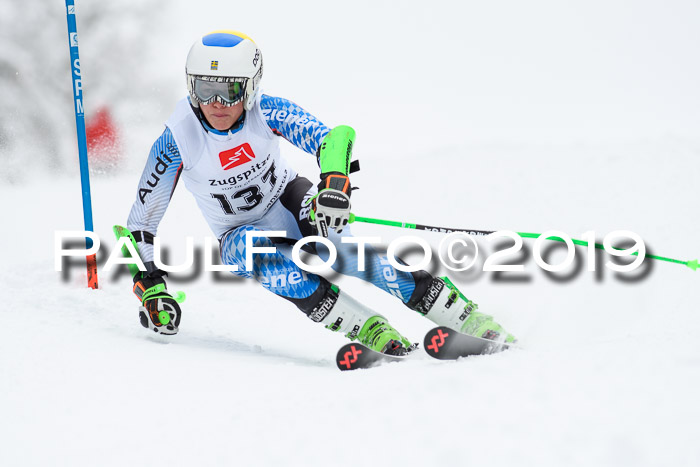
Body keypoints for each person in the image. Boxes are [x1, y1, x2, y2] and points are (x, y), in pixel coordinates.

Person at [126, 30, 515, 354]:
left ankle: (462, 316)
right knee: (262, 259)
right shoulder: (176, 140)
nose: (216, 103)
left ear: (251, 86)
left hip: (290, 199)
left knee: (346, 255)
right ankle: (368, 329)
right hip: (237, 233)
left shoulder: (267, 111)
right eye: (205, 89)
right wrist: (150, 285)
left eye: (230, 90)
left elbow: (334, 138)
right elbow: (140, 224)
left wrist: (334, 182)